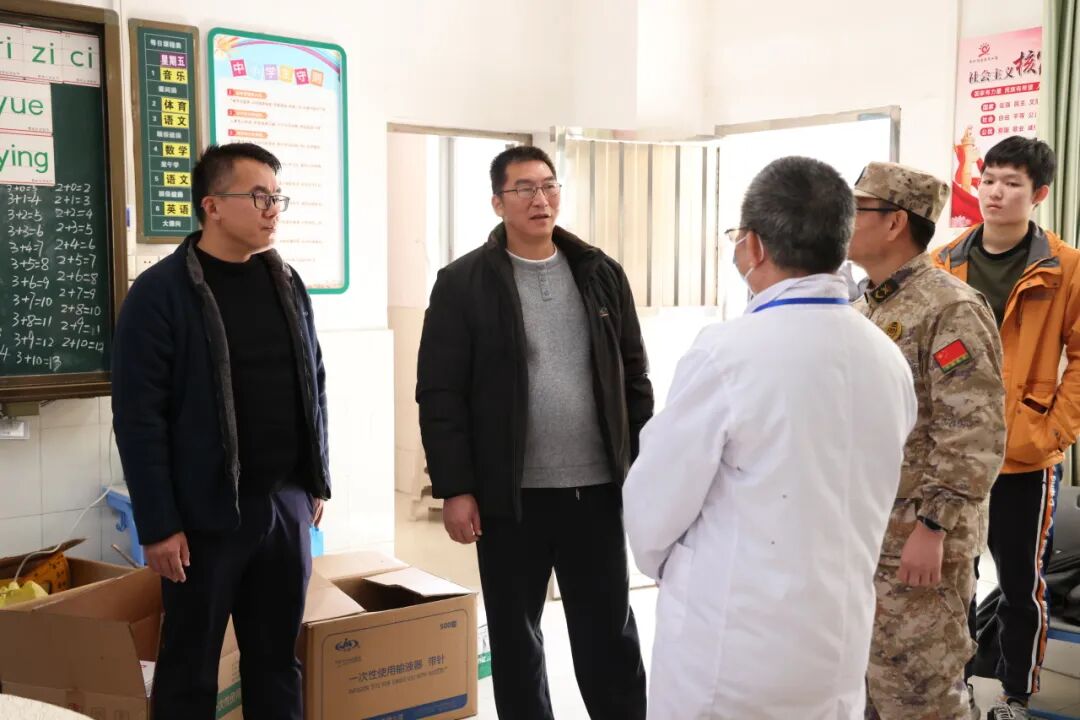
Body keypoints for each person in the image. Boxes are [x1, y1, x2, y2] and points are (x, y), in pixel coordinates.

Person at [622, 156, 917, 719]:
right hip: (836, 643)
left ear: (753, 246)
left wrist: (670, 568)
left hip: (733, 648)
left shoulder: (726, 354)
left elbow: (653, 509)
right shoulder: (885, 356)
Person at [416, 145, 651, 720]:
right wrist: (456, 487)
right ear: (498, 202)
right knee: (516, 638)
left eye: (548, 185)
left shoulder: (599, 273)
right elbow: (440, 393)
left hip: (596, 491)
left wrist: (646, 468)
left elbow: (634, 378)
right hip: (508, 497)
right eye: (523, 188)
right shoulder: (463, 283)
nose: (540, 198)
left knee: (609, 633)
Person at [112, 143, 329, 720]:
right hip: (203, 518)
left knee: (277, 662)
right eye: (258, 196)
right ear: (211, 205)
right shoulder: (160, 294)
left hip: (284, 506)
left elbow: (314, 382)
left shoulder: (286, 282)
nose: (272, 208)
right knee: (189, 668)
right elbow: (138, 418)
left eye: (277, 196)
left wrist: (315, 479)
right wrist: (159, 524)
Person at [848, 161, 1006, 720]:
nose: (844, 220)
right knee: (866, 689)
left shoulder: (949, 307)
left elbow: (973, 430)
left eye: (857, 209)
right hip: (866, 532)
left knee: (919, 691)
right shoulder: (863, 306)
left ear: (895, 222)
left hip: (918, 538)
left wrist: (933, 526)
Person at [935, 135, 1080, 720]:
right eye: (989, 179)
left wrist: (1053, 430)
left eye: (1011, 183)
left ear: (1038, 193)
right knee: (953, 579)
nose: (995, 192)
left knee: (1021, 583)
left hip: (1025, 452)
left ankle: (1015, 696)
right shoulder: (945, 261)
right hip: (954, 450)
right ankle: (957, 685)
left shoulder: (1065, 266)